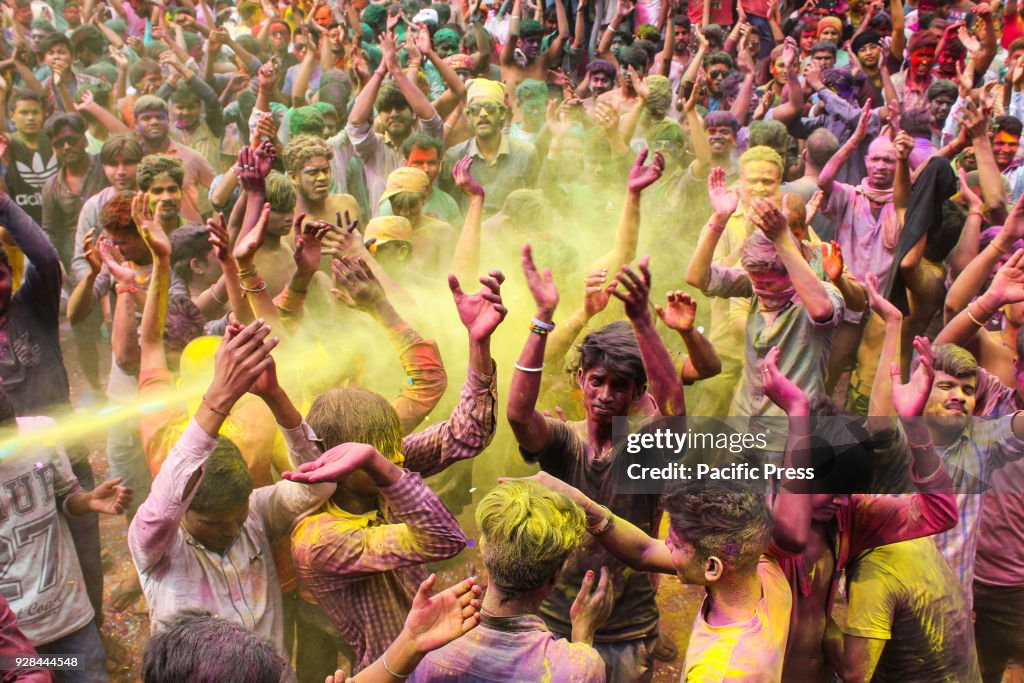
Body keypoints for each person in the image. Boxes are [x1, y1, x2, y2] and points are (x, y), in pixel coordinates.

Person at [291, 261, 503, 671]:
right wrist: (383, 467)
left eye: (394, 451)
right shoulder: (320, 538)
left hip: (431, 645)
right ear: (337, 463)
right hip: (393, 669)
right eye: (381, 458)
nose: (400, 461)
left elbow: (468, 434)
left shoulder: (379, 461)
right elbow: (444, 542)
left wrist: (479, 345)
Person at [506, 241, 685, 682]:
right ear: (581, 379)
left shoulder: (643, 446)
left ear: (638, 392)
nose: (605, 396)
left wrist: (644, 323)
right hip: (553, 615)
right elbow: (517, 414)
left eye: (620, 386)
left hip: (626, 624)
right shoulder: (564, 442)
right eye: (597, 381)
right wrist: (542, 318)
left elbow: (676, 410)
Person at [407, 480, 609, 682]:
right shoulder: (577, 668)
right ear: (557, 574)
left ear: (484, 550)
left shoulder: (425, 647)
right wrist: (583, 637)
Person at [0, 385, 131, 683]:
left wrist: (88, 500)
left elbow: (65, 494)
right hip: (13, 636)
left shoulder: (42, 433)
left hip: (68, 616)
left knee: (88, 675)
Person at [442, 79, 540, 216]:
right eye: (475, 109)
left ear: (503, 113)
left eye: (490, 108)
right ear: (469, 116)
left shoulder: (526, 153)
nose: (482, 114)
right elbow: (449, 205)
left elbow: (535, 198)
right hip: (469, 231)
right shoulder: (455, 156)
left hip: (510, 232)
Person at [40, 111, 107, 272]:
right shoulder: (52, 186)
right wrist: (55, 264)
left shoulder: (104, 166)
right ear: (53, 149)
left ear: (84, 141)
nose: (66, 147)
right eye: (59, 144)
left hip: (111, 252)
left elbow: (129, 141)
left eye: (71, 140)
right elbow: (50, 231)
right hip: (75, 262)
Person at [132, 95, 215, 222]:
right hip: (145, 236)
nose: (154, 122)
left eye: (160, 117)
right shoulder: (131, 160)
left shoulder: (190, 157)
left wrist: (216, 224)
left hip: (189, 237)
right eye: (146, 118)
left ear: (169, 121)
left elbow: (221, 191)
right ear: (136, 124)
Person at [2, 90, 58, 227]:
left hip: (55, 223)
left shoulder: (54, 140)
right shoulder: (9, 142)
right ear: (12, 116)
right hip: (22, 225)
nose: (31, 117)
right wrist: (2, 94)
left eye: (35, 112)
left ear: (43, 115)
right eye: (24, 112)